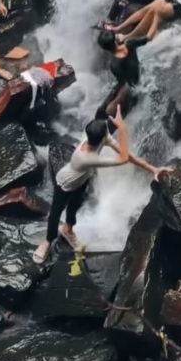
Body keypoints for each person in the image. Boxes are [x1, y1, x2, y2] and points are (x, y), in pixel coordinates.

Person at [32, 107, 159, 262]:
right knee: (56, 213)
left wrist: (152, 168)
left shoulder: (101, 137)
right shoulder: (84, 157)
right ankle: (47, 241)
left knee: (73, 208)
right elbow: (123, 159)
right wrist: (123, 129)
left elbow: (127, 155)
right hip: (64, 184)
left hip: (82, 181)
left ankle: (68, 230)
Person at [96, 31, 148, 119]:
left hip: (128, 85)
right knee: (105, 109)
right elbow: (147, 38)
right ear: (116, 40)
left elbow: (121, 81)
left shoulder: (113, 64)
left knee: (104, 110)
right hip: (135, 84)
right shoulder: (130, 44)